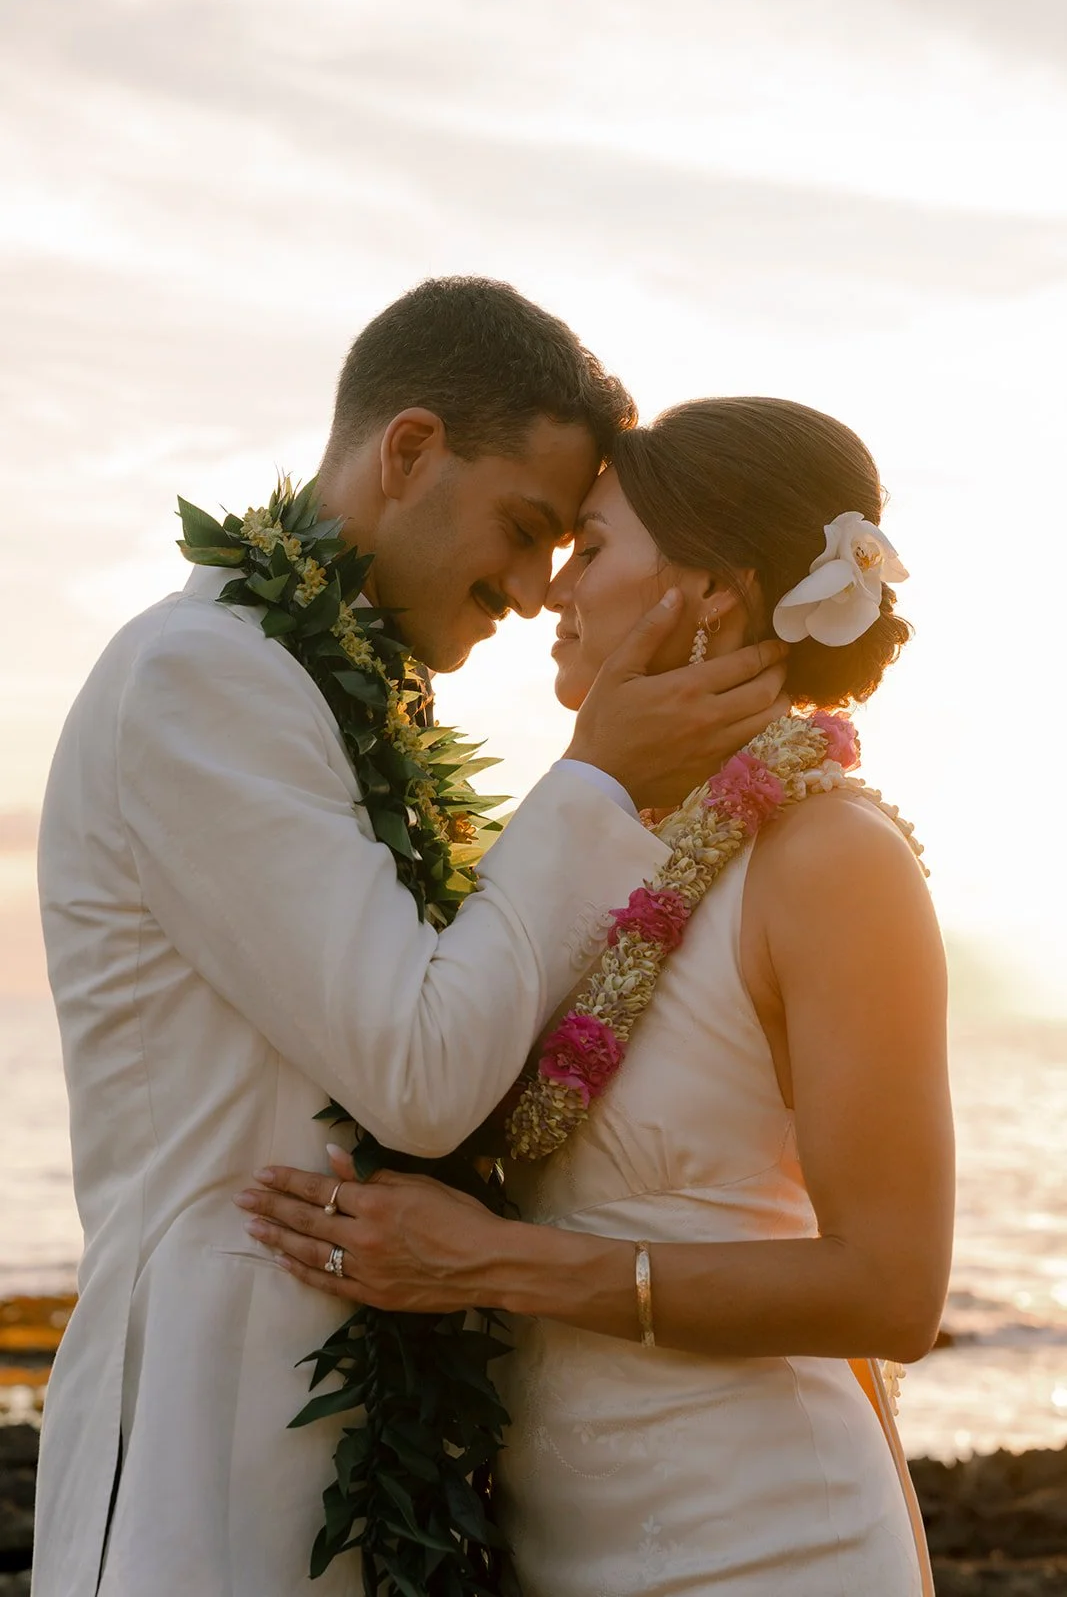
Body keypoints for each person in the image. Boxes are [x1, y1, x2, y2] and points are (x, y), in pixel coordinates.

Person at [32, 284, 788, 1597]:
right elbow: (422, 1076)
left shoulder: (330, 706)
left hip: (374, 1447)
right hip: (211, 1442)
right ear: (407, 451)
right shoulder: (203, 677)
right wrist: (592, 781)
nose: (532, 586)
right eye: (524, 526)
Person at [240, 396, 953, 1596]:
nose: (548, 593)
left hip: (769, 1542)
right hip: (557, 1548)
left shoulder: (831, 858)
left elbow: (890, 1287)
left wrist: (489, 1265)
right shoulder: (593, 841)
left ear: (710, 591)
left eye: (592, 548)